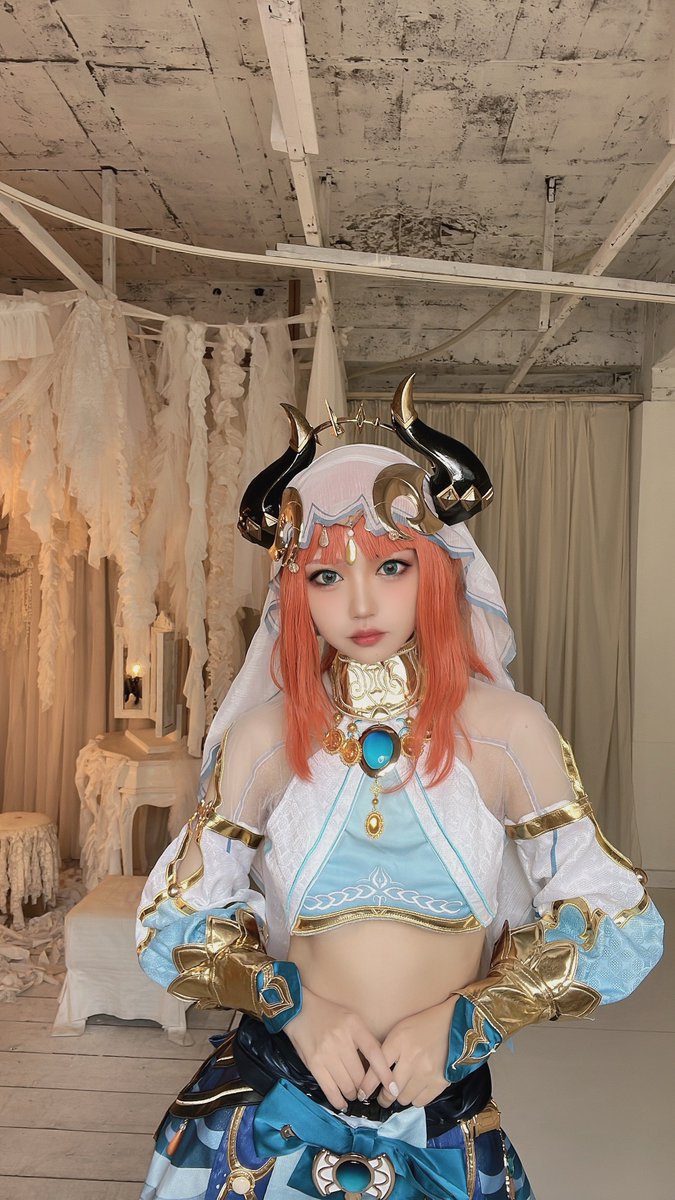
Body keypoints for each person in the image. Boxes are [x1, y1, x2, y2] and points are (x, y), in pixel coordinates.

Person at [136, 377, 663, 1200]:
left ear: (439, 572)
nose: (359, 603)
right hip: (268, 1108)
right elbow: (172, 922)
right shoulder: (263, 737)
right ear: (293, 590)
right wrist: (294, 1009)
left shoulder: (507, 730)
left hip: (440, 1119)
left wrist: (470, 1021)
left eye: (390, 566)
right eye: (324, 576)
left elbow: (619, 920)